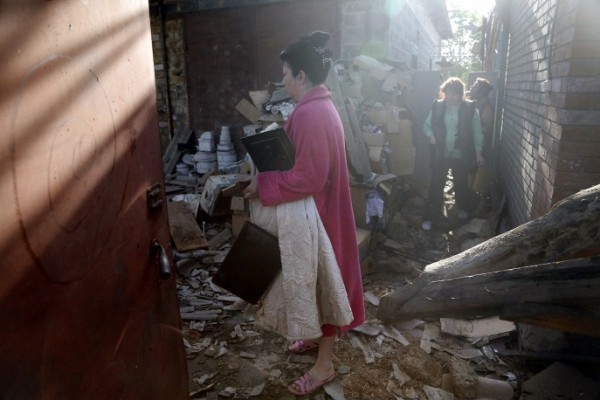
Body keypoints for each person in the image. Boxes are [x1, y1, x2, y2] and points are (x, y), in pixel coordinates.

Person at [242, 31, 365, 396]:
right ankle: (313, 340)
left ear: (301, 75)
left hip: (320, 214)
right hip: (322, 209)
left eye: (285, 73)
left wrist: (263, 183)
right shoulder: (319, 107)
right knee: (319, 281)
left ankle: (324, 366)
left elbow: (310, 177)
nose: (282, 81)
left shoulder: (312, 113)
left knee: (324, 283)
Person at [421, 77, 484, 231]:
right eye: (447, 93)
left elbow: (477, 133)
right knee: (436, 185)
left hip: (461, 155)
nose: (450, 97)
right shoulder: (437, 106)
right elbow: (426, 125)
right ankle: (430, 217)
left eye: (454, 94)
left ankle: (463, 210)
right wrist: (431, 136)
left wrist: (478, 153)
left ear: (461, 94)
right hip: (441, 154)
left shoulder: (470, 109)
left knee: (461, 183)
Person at [468, 77, 495, 194]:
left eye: (474, 86)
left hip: (481, 148)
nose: (471, 87)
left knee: (477, 181)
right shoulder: (474, 103)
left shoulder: (486, 107)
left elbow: (488, 127)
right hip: (472, 146)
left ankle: (474, 197)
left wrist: (474, 132)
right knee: (469, 172)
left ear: (480, 92)